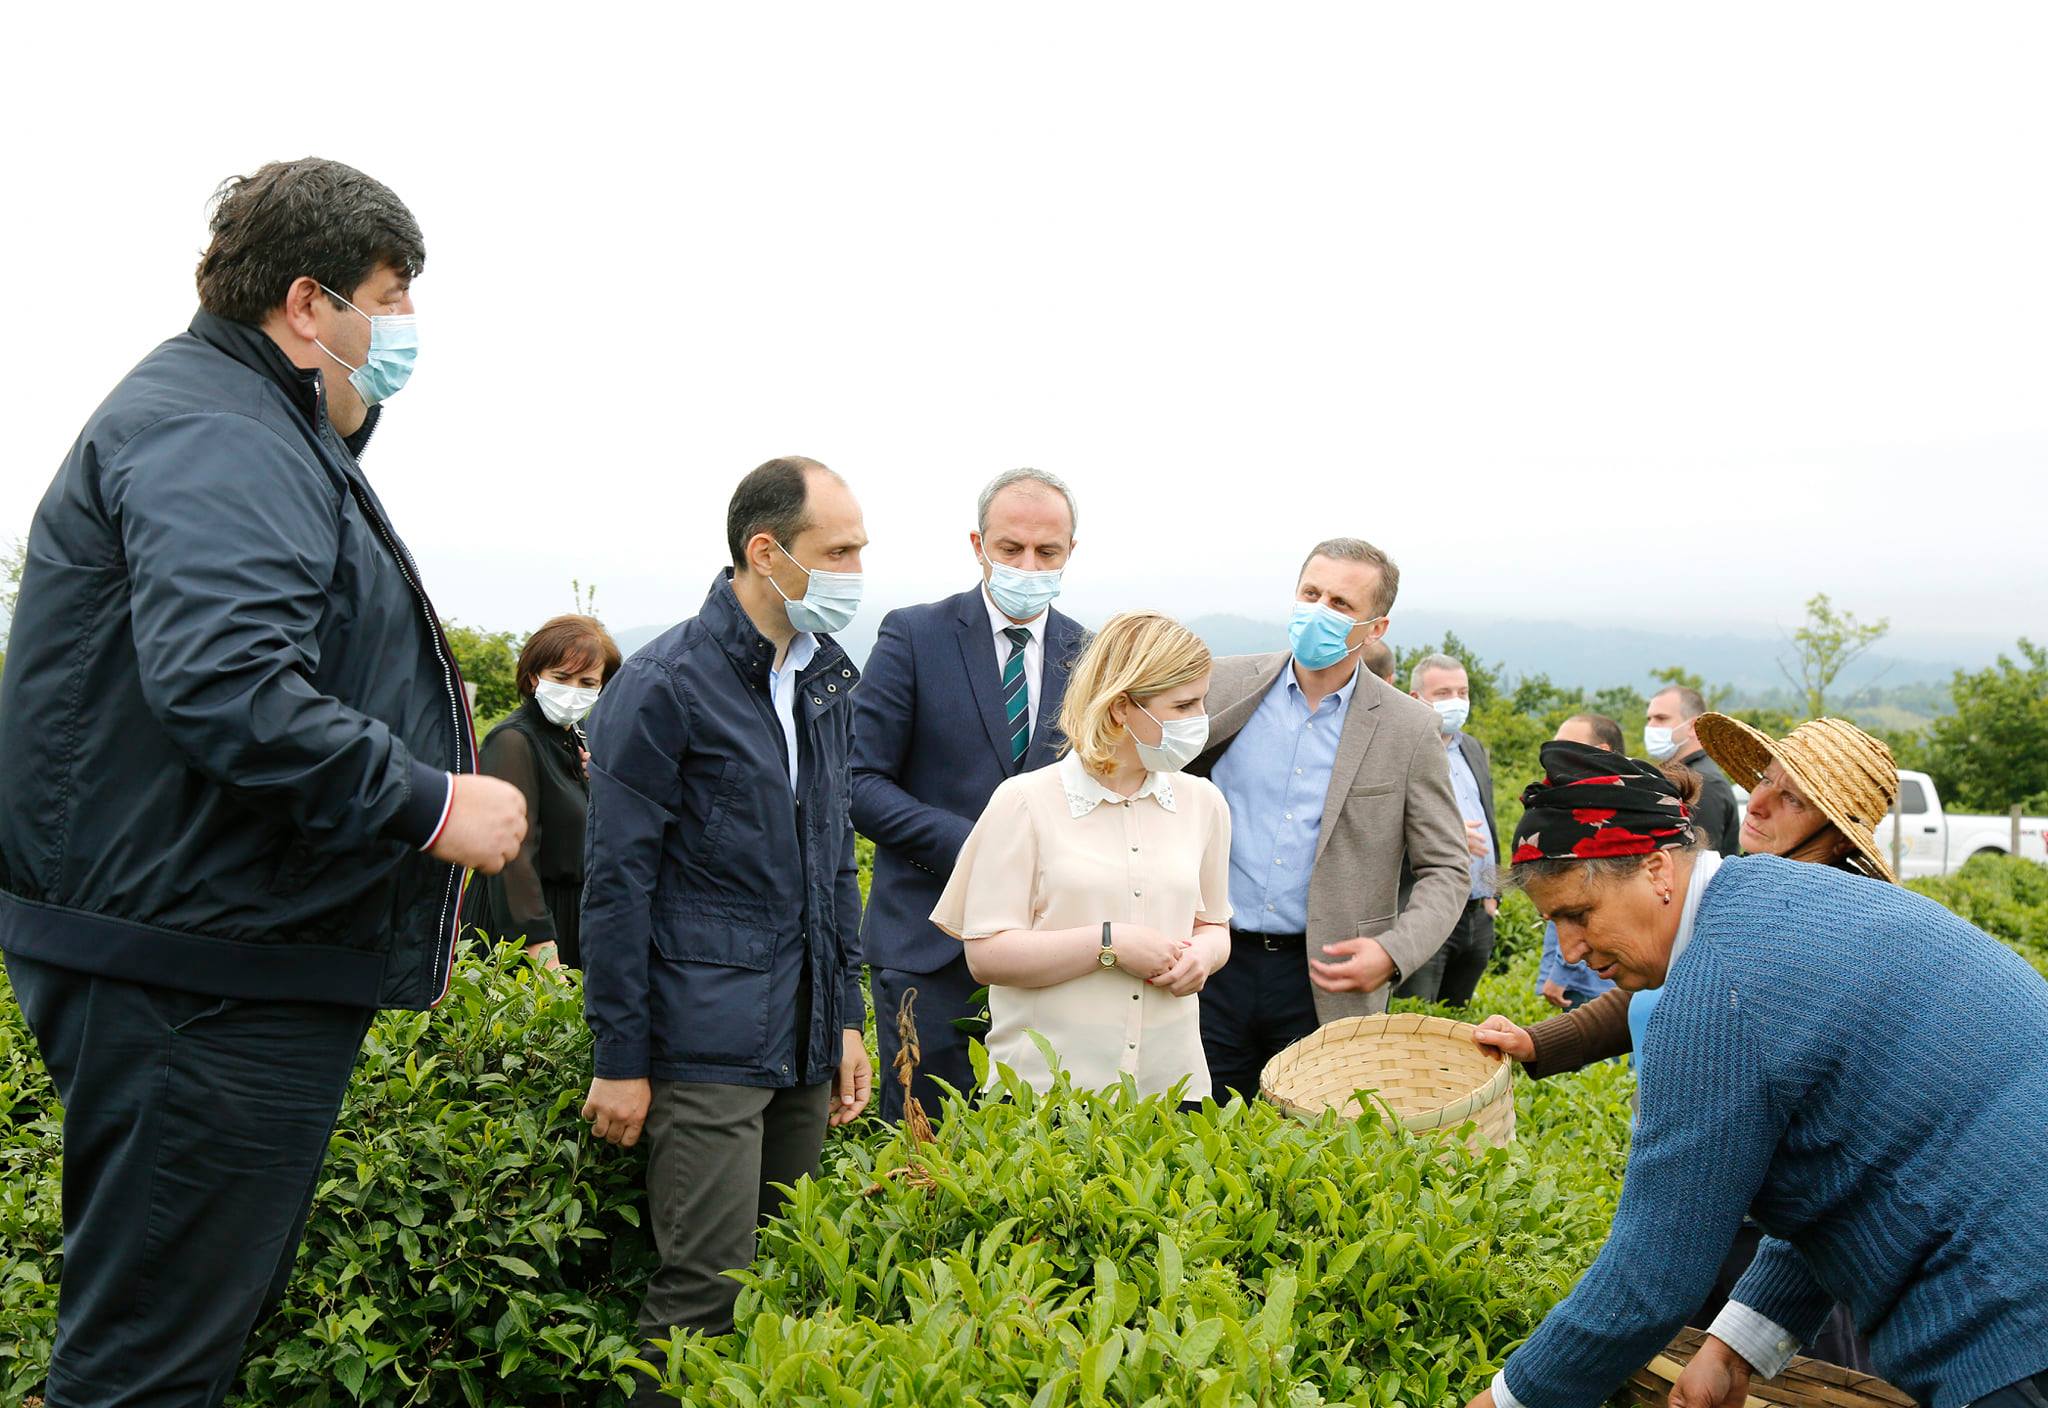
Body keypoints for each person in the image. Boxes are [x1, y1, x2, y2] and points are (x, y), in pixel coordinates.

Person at [0, 158, 528, 1408]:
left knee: (167, 1346)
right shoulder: (221, 434)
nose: (403, 328)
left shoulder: (248, 423)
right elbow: (228, 680)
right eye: (388, 299)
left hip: (208, 954)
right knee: (146, 1371)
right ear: (306, 303)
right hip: (196, 975)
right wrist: (431, 801)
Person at [1465, 741, 2048, 1408]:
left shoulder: (1721, 981)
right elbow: (1845, 1172)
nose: (1570, 949)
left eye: (1579, 914)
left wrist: (1507, 1400)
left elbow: (1649, 1279)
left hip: (2014, 1306)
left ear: (1656, 869)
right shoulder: (1777, 903)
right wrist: (1735, 1345)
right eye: (1553, 923)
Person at [1475, 714, 1903, 1372]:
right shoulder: (1722, 902)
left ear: (1835, 827)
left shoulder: (1815, 931)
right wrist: (1539, 1044)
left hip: (1767, 1211)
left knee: (1794, 1368)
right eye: (1764, 782)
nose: (1757, 803)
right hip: (1713, 1190)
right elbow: (1649, 991)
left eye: (1791, 797)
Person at [578, 457, 874, 1386]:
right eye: (839, 551)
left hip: (802, 1040)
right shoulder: (664, 683)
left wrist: (846, 1018)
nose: (857, 571)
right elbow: (616, 884)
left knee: (780, 1280)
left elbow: (835, 863)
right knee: (701, 1295)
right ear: (766, 551)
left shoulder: (823, 681)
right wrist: (619, 1058)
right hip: (705, 1045)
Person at [1192, 538, 1468, 1102]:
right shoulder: (1221, 686)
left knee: (1309, 1137)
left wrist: (1393, 952)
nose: (1318, 611)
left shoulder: (1408, 728)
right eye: (1310, 594)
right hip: (1211, 960)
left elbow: (1447, 868)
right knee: (1195, 1127)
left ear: (1376, 628)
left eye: (1341, 604)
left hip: (1326, 978)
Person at [852, 468, 1089, 1120]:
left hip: (1049, 949)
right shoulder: (914, 636)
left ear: (1071, 551)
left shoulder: (1089, 654)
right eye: (1011, 548)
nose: (1028, 566)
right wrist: (979, 847)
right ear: (978, 544)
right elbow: (859, 782)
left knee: (1038, 1145)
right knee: (924, 1142)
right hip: (926, 943)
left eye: (1047, 551)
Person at [929, 612, 1231, 1099]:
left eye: (1201, 701)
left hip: (1170, 1088)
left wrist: (1204, 956)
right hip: (1044, 1091)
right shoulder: (1024, 802)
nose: (1200, 718)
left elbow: (1213, 924)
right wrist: (1109, 944)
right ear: (1121, 708)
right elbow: (986, 955)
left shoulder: (1204, 803)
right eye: (1183, 705)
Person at [462, 614, 622, 970]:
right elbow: (511, 856)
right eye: (561, 678)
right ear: (535, 676)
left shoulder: (578, 737)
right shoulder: (513, 741)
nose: (573, 691)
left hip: (571, 918)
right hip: (524, 927)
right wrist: (540, 949)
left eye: (587, 682)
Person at [1394, 654, 1501, 1006]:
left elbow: (1488, 816)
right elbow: (1378, 832)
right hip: (1425, 910)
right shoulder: (1397, 752)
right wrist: (1447, 837)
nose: (1456, 701)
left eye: (1462, 692)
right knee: (1417, 1014)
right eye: (1443, 693)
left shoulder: (1471, 748)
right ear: (1415, 698)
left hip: (1477, 912)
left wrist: (1492, 895)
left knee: (1459, 1016)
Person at [1535, 714, 1625, 1009]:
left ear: (1602, 752)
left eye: (1567, 747)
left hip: (1588, 976)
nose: (1556, 757)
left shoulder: (1595, 816)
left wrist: (1562, 971)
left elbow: (1579, 903)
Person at [1644, 685, 1741, 855]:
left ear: (1692, 726)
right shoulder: (1678, 775)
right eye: (1649, 719)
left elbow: (1698, 859)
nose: (1651, 726)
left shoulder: (1705, 783)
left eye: (1661, 718)